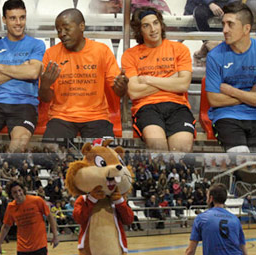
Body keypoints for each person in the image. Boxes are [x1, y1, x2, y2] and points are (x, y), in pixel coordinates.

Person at [39, 8, 128, 140]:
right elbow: (45, 98)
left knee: (104, 157)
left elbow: (118, 91)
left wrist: (121, 86)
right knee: (49, 157)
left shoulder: (101, 51)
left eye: (66, 29)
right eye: (58, 31)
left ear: (81, 26)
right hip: (61, 116)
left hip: (96, 116)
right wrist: (45, 86)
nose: (61, 34)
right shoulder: (51, 54)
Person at [121, 6, 195, 151]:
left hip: (177, 105)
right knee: (157, 146)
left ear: (161, 25)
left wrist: (149, 79)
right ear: (140, 30)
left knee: (181, 148)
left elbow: (183, 85)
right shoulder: (130, 55)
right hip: (146, 107)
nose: (153, 29)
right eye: (146, 25)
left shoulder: (180, 49)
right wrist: (170, 79)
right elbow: (134, 92)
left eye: (155, 23)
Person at [0, 0, 45, 152]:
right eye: (13, 18)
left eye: (22, 17)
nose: (18, 23)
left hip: (24, 104)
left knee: (18, 145)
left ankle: (6, 174)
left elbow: (33, 72)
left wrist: (1, 68)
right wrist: (20, 70)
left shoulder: (36, 44)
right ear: (4, 20)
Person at [206, 2, 256, 153]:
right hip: (226, 116)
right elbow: (214, 100)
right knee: (242, 163)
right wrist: (249, 96)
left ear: (246, 29)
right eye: (223, 24)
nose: (224, 30)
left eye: (230, 24)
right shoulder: (215, 56)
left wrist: (230, 90)